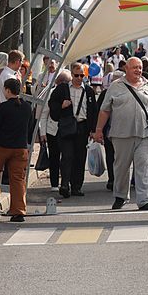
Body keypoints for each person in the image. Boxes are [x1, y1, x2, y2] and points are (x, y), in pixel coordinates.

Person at [93, 57, 148, 211]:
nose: (138, 70)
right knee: (122, 168)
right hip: (121, 134)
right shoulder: (115, 86)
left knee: (143, 166)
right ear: (126, 69)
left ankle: (144, 200)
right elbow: (105, 110)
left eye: (140, 67)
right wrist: (98, 130)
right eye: (135, 67)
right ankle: (121, 196)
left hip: (143, 134)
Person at [0, 78, 34, 222]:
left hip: (3, 146)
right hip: (20, 148)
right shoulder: (27, 107)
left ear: (8, 90)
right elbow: (30, 125)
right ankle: (18, 210)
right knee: (18, 179)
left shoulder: (4, 107)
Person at [49, 62, 96, 198]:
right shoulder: (62, 89)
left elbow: (93, 111)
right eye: (77, 75)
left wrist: (93, 130)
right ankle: (64, 184)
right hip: (67, 126)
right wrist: (61, 106)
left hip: (82, 127)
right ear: (72, 75)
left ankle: (76, 186)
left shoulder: (88, 91)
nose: (79, 78)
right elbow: (52, 104)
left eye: (82, 75)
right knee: (67, 156)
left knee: (80, 158)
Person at [0, 50, 23, 149]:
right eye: (21, 62)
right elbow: (11, 95)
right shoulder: (8, 75)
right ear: (17, 61)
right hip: (8, 110)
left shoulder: (8, 74)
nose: (21, 64)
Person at [34, 58, 62, 191]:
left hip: (64, 125)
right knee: (54, 153)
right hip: (48, 117)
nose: (50, 65)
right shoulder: (41, 76)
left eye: (52, 62)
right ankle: (55, 181)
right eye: (48, 63)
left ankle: (65, 177)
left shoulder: (62, 74)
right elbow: (36, 92)